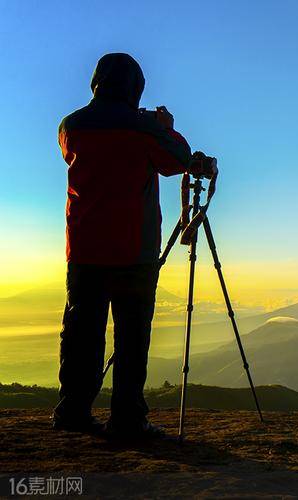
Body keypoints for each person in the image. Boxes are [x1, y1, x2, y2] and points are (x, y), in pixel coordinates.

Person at [54, 53, 207, 438]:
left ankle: (72, 412)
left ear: (96, 82)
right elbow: (178, 160)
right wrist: (165, 126)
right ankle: (127, 419)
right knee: (132, 335)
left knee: (81, 333)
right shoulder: (143, 128)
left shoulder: (70, 126)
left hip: (84, 247)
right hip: (133, 249)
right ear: (135, 87)